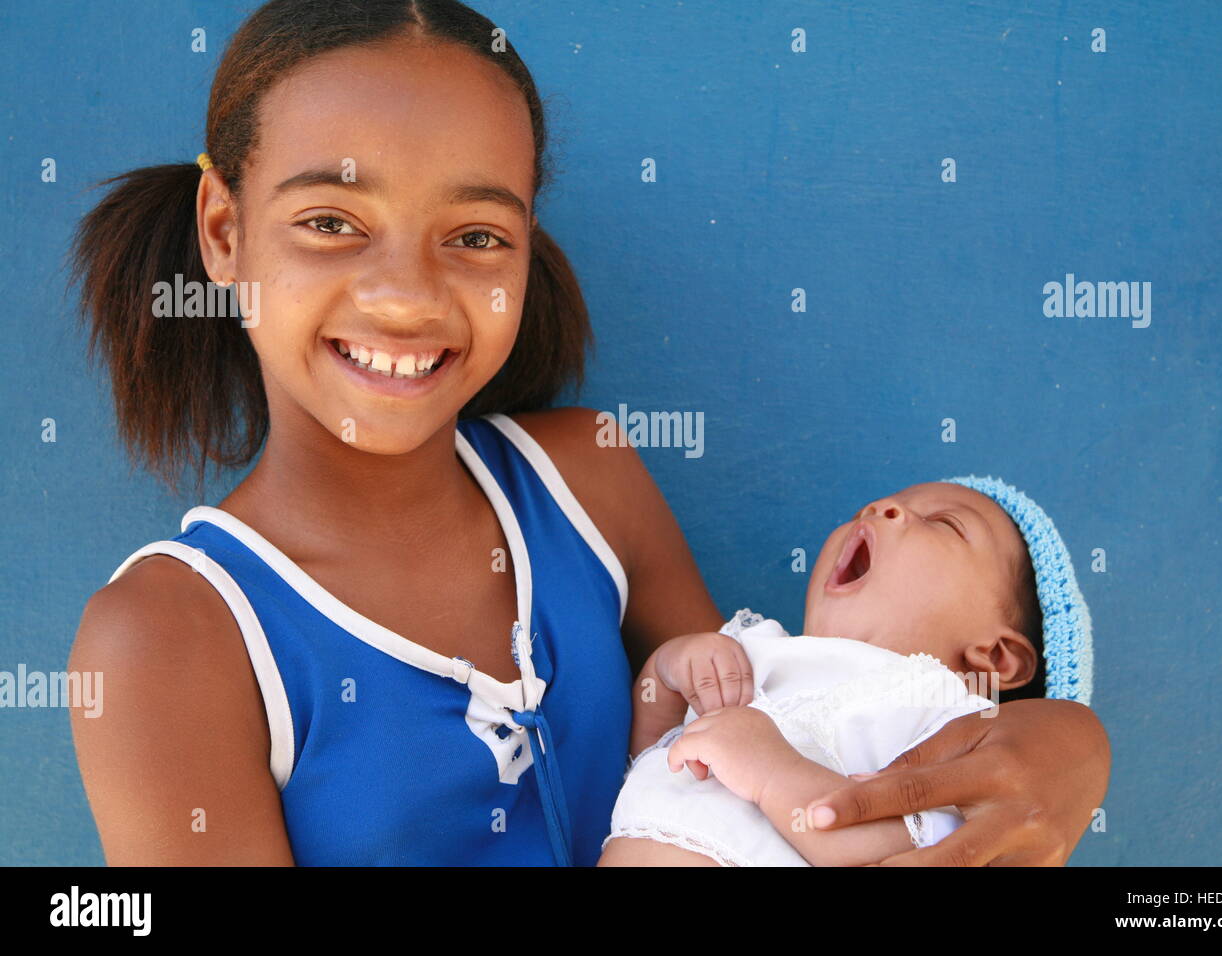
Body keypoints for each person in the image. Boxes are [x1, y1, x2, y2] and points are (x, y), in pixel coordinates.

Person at [66, 0, 1109, 866]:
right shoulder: (168, 637)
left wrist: (1071, 744)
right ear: (222, 231)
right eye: (331, 223)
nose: (404, 297)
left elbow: (761, 710)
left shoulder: (583, 474)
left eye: (475, 236)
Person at [600, 477, 1092, 866]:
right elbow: (654, 762)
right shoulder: (752, 652)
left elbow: (906, 853)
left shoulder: (943, 718)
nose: (881, 507)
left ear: (996, 657)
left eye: (944, 524)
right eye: (873, 508)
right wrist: (665, 673)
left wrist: (774, 773)